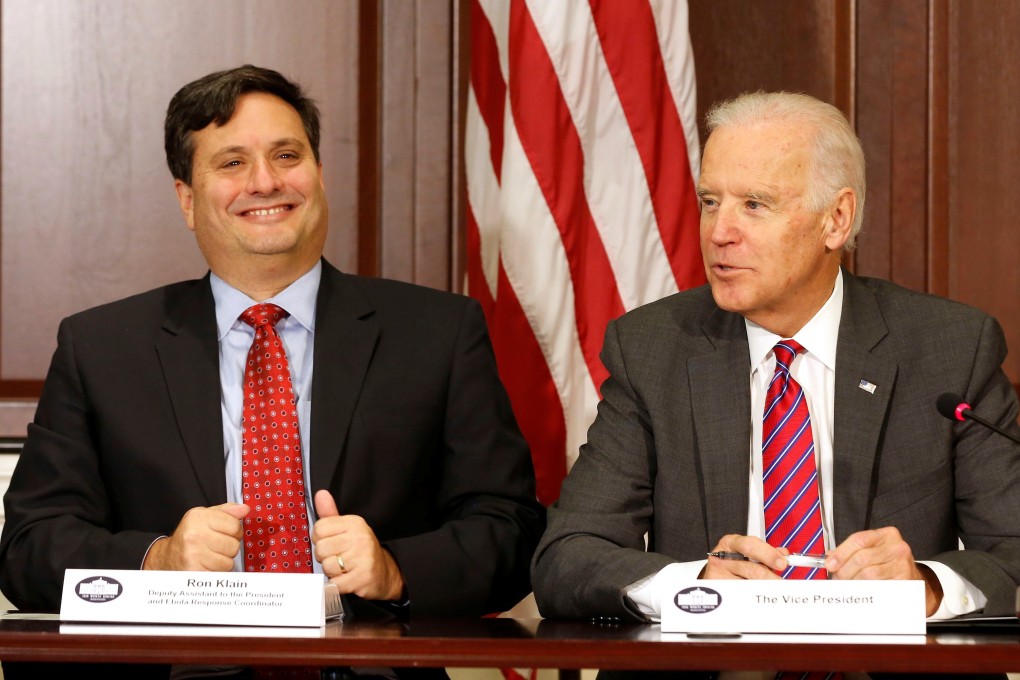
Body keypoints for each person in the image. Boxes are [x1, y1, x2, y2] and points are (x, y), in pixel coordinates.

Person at [0, 64, 545, 678]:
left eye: (287, 155)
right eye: (231, 163)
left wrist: (394, 569)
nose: (265, 182)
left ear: (318, 173)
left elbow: (511, 527)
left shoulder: (436, 333)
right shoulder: (101, 347)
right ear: (186, 198)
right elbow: (28, 547)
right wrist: (158, 559)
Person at [531, 91, 1020, 678]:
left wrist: (927, 588)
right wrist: (695, 587)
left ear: (835, 220)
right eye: (711, 202)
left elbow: (1013, 550)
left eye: (755, 205)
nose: (719, 232)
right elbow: (565, 557)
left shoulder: (948, 348)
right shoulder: (654, 347)